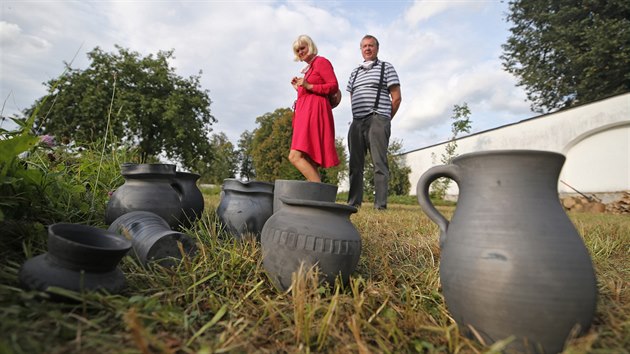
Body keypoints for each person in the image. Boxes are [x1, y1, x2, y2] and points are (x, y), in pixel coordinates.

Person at [346, 34, 402, 210]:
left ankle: (380, 206)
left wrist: (384, 118)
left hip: (378, 118)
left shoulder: (387, 68)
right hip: (357, 121)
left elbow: (397, 98)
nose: (368, 48)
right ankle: (353, 203)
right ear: (361, 49)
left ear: (377, 48)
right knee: (355, 164)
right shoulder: (354, 72)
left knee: (379, 163)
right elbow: (352, 95)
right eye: (364, 46)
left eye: (371, 45)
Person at [289, 34, 340, 182]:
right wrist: (298, 88)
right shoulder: (309, 69)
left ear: (310, 46)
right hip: (305, 114)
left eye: (302, 48)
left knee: (295, 156)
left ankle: (319, 195)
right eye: (297, 50)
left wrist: (308, 85)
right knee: (309, 159)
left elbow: (333, 86)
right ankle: (319, 200)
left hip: (314, 114)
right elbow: (309, 92)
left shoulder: (321, 62)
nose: (300, 52)